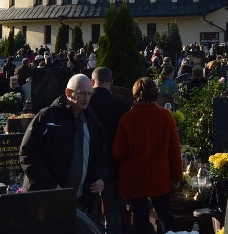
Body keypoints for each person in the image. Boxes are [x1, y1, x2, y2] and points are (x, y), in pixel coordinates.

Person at [19, 74, 107, 211]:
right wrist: (52, 186)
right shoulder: (47, 116)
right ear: (68, 93)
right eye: (82, 93)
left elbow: (101, 153)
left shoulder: (92, 120)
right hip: (46, 198)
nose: (87, 98)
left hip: (80, 201)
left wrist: (101, 178)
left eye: (90, 94)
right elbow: (27, 154)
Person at [112, 77, 182, 234]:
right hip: (160, 176)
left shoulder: (127, 118)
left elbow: (118, 152)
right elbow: (174, 149)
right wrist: (177, 177)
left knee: (140, 219)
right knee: (165, 216)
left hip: (135, 178)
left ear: (135, 95)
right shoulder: (165, 116)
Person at [88, 67, 131, 234]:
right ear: (111, 82)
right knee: (112, 210)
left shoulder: (86, 104)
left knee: (90, 212)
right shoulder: (121, 106)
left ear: (92, 82)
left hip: (90, 164)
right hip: (114, 165)